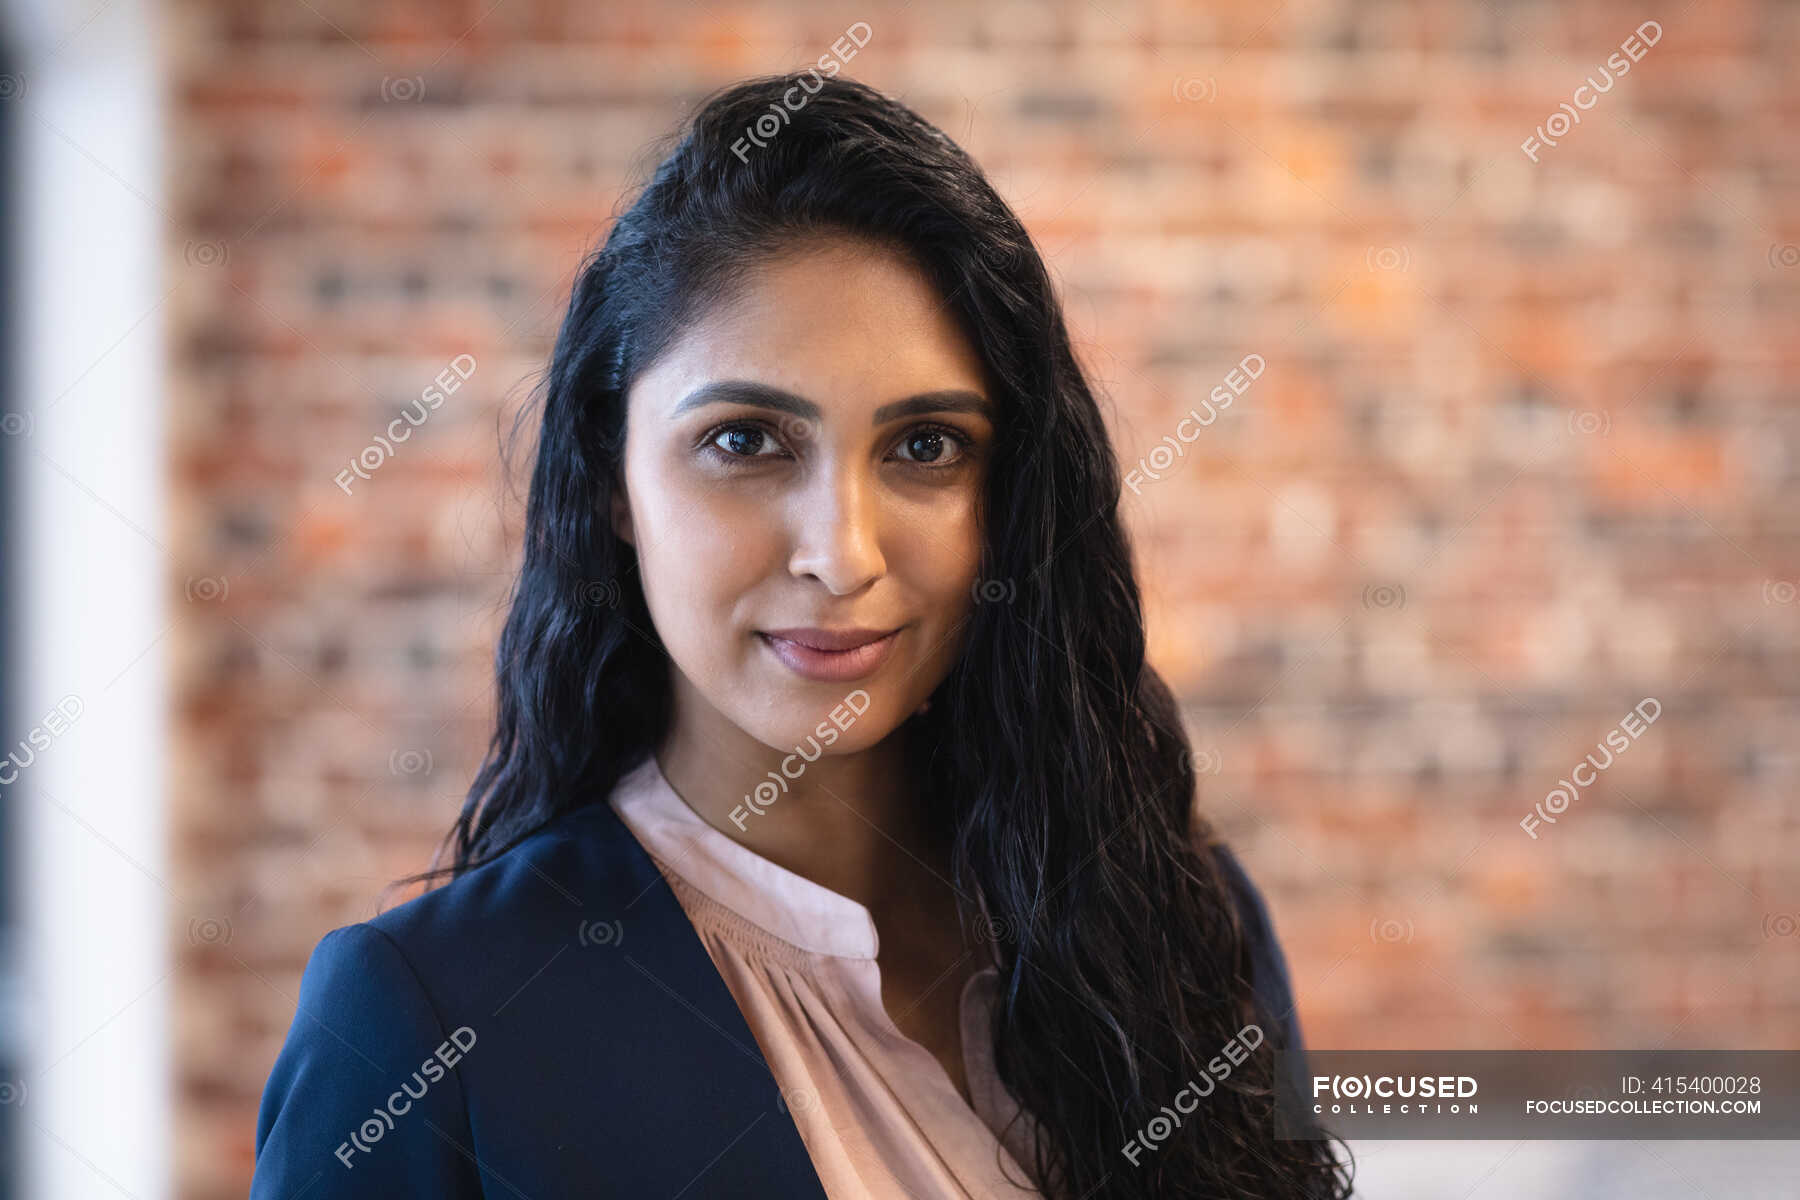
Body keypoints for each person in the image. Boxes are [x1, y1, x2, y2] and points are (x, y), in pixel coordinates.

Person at [250, 72, 1354, 1199]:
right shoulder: (435, 1015)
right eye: (746, 442)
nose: (844, 553)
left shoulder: (1179, 916)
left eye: (926, 446)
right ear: (612, 480)